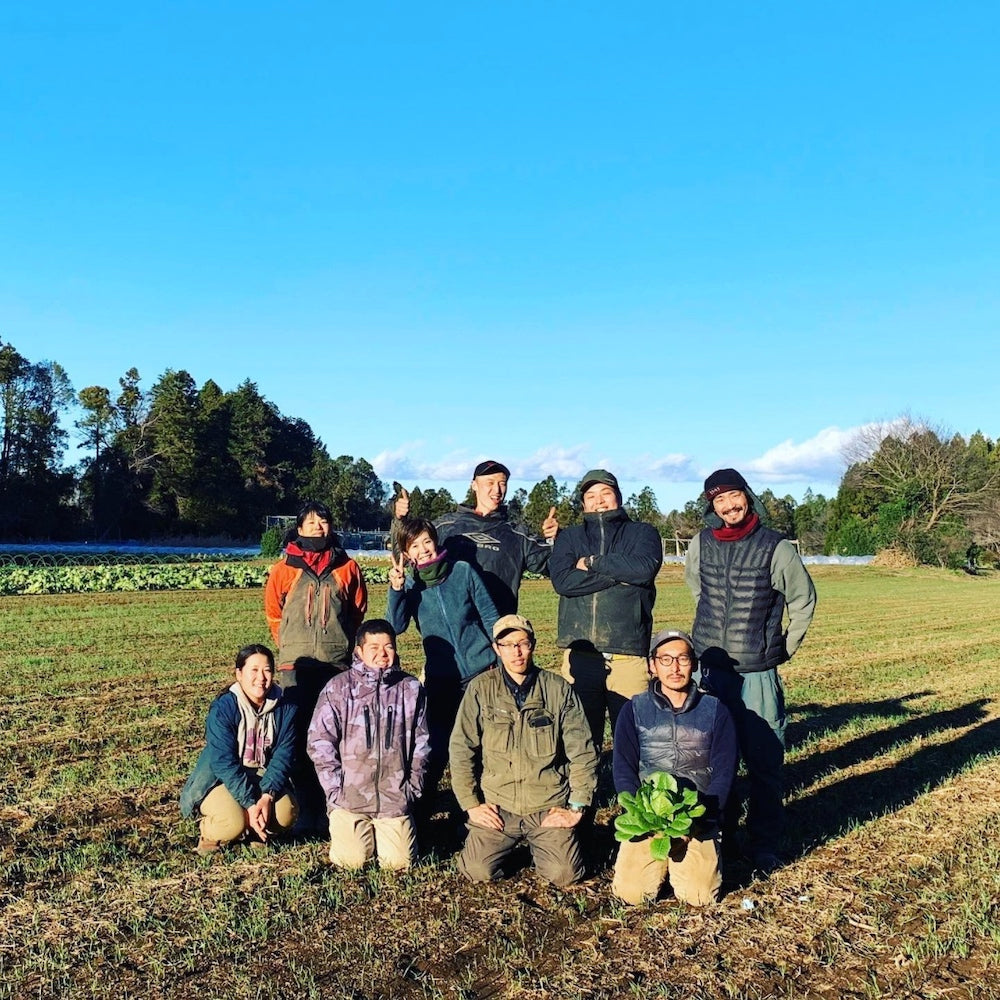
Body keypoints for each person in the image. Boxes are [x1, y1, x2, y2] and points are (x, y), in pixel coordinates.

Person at [684, 468, 817, 871]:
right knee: (709, 763)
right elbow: (698, 590)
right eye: (718, 501)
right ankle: (718, 838)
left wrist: (783, 647)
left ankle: (763, 844)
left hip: (757, 673)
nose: (728, 506)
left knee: (764, 764)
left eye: (733, 496)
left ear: (748, 495)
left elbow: (804, 599)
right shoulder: (701, 543)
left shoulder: (776, 547)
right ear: (712, 506)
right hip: (709, 672)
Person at [450, 614, 598, 886]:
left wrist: (576, 806)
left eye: (523, 643)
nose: (516, 652)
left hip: (546, 805)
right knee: (476, 871)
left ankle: (547, 846)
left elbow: (583, 752)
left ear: (533, 645)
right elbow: (461, 749)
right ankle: (495, 843)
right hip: (499, 806)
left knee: (564, 875)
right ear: (496, 649)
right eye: (508, 645)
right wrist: (471, 805)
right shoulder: (480, 689)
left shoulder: (557, 689)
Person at [611, 628, 737, 906]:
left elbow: (724, 772)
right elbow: (623, 769)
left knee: (699, 897)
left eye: (682, 658)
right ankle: (658, 864)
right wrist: (645, 817)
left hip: (697, 820)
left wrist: (700, 819)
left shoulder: (717, 711)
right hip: (649, 822)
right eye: (666, 659)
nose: (675, 667)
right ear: (652, 665)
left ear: (693, 664)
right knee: (632, 894)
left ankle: (692, 860)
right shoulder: (633, 709)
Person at [264, 500, 368, 833]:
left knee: (334, 736)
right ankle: (307, 807)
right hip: (295, 666)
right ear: (298, 529)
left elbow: (356, 612)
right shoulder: (284, 569)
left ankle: (334, 806)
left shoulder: (347, 567)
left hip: (334, 665)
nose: (317, 529)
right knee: (297, 734)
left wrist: (339, 644)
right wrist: (290, 647)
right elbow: (274, 615)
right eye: (310, 523)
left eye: (323, 522)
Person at [549, 469, 663, 750]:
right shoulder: (570, 538)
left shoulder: (642, 532)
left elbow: (644, 569)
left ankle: (634, 793)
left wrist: (590, 562)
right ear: (583, 504)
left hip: (628, 656)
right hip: (582, 657)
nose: (598, 501)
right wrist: (620, 572)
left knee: (636, 738)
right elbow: (563, 581)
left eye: (605, 493)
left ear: (618, 497)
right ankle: (586, 794)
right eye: (591, 496)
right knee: (582, 739)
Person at [387, 517, 499, 802]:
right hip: (442, 677)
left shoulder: (462, 572)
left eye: (426, 541)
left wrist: (501, 659)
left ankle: (486, 805)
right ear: (406, 552)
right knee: (437, 745)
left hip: (481, 672)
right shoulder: (411, 586)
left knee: (485, 744)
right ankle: (424, 809)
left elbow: (489, 616)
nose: (423, 549)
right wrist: (396, 589)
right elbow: (396, 626)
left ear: (435, 541)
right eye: (414, 545)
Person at [307, 620, 429, 870]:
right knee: (351, 861)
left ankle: (392, 829)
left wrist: (412, 789)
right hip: (350, 799)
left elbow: (422, 744)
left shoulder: (411, 688)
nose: (382, 654)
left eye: (388, 646)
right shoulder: (339, 688)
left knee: (398, 863)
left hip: (394, 799)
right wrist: (335, 790)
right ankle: (348, 826)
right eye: (373, 647)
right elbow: (320, 742)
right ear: (359, 651)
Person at [393, 460, 557, 615]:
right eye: (490, 483)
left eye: (502, 483)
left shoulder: (517, 535)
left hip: (498, 633)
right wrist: (400, 520)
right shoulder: (445, 527)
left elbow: (555, 565)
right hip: (453, 633)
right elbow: (402, 555)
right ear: (474, 486)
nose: (497, 490)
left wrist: (556, 538)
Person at [180, 644, 297, 855]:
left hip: (262, 776)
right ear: (239, 674)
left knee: (286, 812)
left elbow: (283, 755)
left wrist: (266, 797)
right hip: (221, 779)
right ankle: (209, 832)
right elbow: (223, 762)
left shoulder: (285, 708)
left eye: (267, 670)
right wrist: (251, 805)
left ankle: (255, 831)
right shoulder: (224, 708)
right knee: (231, 823)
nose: (261, 677)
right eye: (254, 670)